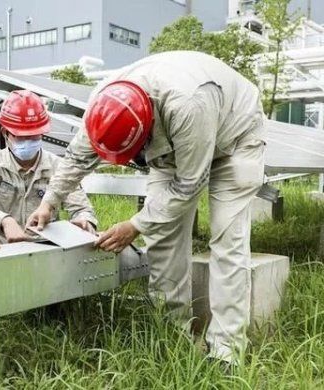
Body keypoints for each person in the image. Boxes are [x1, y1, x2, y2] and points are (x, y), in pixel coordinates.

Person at [27, 51, 266, 364]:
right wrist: (49, 202)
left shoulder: (187, 105)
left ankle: (225, 353)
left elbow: (189, 184)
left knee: (227, 241)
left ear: (145, 131)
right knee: (163, 240)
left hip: (235, 136)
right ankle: (174, 337)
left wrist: (135, 225)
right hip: (173, 144)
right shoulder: (105, 105)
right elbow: (76, 158)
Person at [0, 90, 97, 243]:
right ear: (5, 133)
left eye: (34, 135)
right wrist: (4, 220)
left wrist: (85, 222)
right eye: (22, 136)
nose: (28, 141)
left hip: (43, 243)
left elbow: (82, 209)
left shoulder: (58, 167)